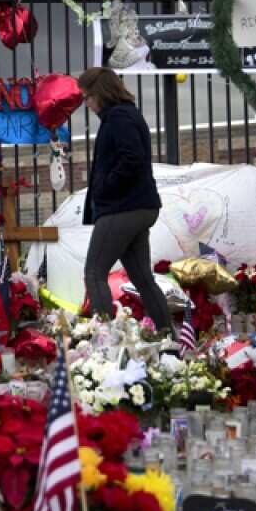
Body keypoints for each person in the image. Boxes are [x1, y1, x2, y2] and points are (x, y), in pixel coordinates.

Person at [78, 67, 170, 330]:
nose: (87, 104)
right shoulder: (125, 115)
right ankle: (169, 341)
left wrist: (105, 188)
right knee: (142, 278)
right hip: (138, 207)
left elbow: (132, 158)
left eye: (87, 97)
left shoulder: (118, 118)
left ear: (100, 93)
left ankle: (103, 340)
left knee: (94, 272)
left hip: (123, 207)